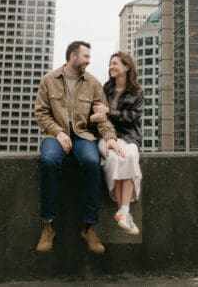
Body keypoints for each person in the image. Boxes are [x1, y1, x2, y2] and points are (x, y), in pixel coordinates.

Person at [34, 40, 126, 254]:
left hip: (82, 135)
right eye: (86, 56)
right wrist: (58, 133)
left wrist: (110, 138)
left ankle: (90, 227)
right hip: (54, 135)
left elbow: (102, 117)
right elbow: (41, 113)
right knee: (48, 161)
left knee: (92, 162)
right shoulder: (49, 80)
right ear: (73, 56)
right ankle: (48, 226)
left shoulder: (93, 83)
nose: (89, 60)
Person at [91, 51, 144, 236]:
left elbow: (132, 117)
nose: (111, 66)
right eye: (110, 63)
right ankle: (123, 212)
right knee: (114, 157)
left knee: (129, 155)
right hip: (107, 137)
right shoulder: (105, 89)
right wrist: (102, 114)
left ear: (126, 67)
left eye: (115, 63)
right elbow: (98, 113)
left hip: (130, 137)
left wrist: (109, 112)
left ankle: (123, 211)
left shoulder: (137, 92)